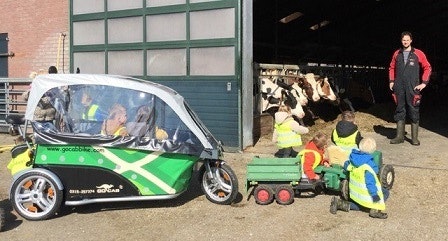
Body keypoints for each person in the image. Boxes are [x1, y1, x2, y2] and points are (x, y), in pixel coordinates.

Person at [389, 31, 432, 146]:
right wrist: (392, 81)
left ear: (411, 40)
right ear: (401, 40)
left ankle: (414, 138)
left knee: (413, 109)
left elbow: (427, 67)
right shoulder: (396, 54)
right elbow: (391, 68)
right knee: (399, 109)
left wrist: (424, 83)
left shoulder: (418, 53)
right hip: (399, 86)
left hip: (413, 87)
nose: (405, 42)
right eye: (403, 40)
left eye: (407, 40)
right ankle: (399, 136)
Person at [330, 137, 389, 219]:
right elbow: (370, 183)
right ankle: (375, 210)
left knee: (359, 206)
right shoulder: (369, 166)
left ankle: (339, 203)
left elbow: (346, 165)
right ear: (373, 150)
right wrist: (375, 195)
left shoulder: (352, 159)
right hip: (366, 192)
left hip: (354, 192)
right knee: (385, 192)